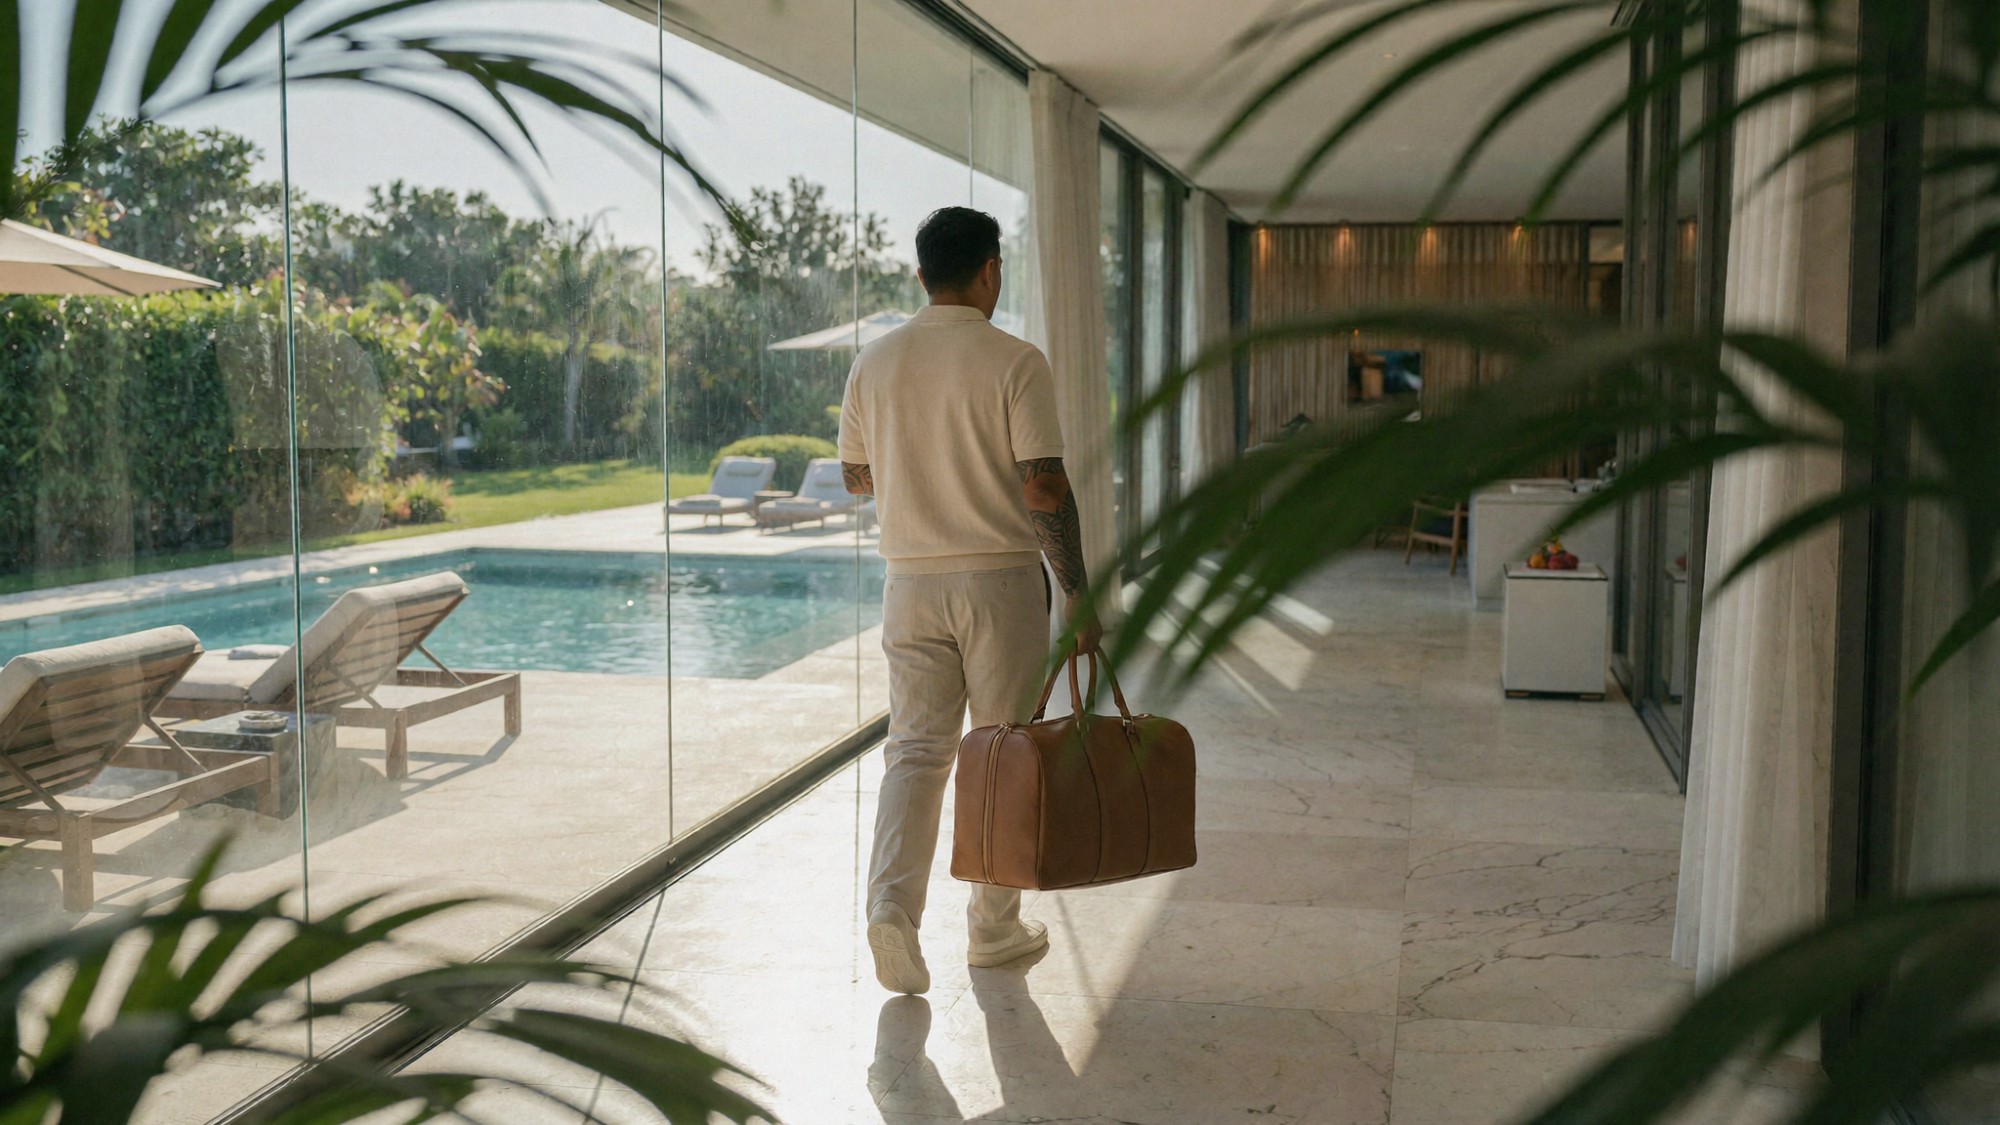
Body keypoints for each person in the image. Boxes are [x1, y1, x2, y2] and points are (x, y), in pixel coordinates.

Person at [839, 206, 1102, 995]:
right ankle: (992, 930)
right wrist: (1077, 594)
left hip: (909, 582)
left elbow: (857, 476)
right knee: (1002, 749)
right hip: (998, 580)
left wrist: (917, 467)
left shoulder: (875, 362)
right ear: (991, 270)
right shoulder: (1016, 360)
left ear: (922, 275)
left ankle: (891, 907)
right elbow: (1044, 483)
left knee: (916, 751)